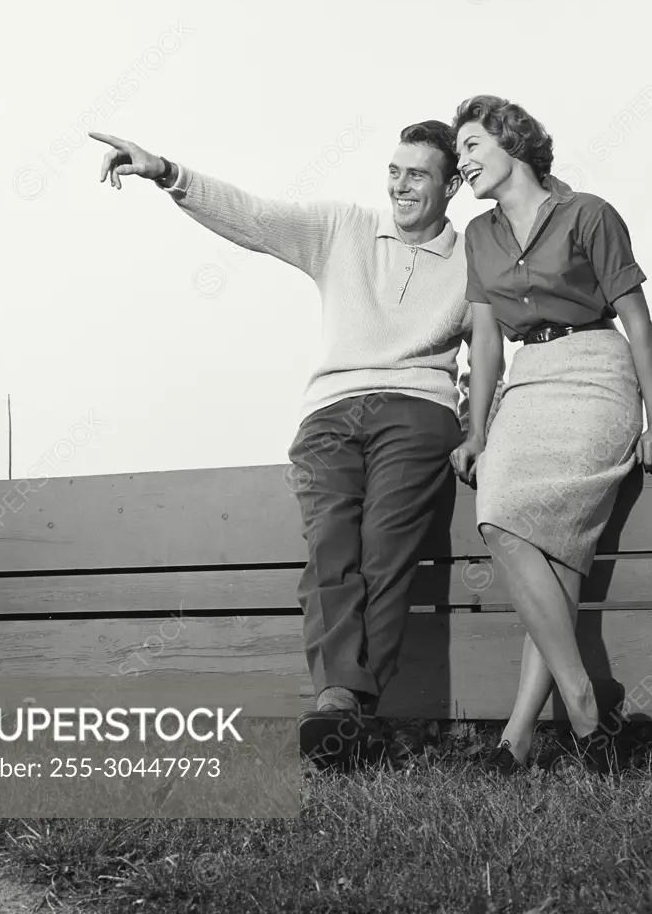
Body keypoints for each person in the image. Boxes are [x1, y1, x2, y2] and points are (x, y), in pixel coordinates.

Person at [89, 122, 500, 767]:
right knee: (331, 549)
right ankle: (344, 706)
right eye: (393, 170)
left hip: (418, 409)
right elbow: (255, 218)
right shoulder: (343, 229)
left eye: (416, 174)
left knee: (386, 553)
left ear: (450, 185)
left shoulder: (474, 259)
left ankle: (346, 709)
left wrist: (481, 431)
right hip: (330, 413)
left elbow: (491, 350)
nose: (399, 185)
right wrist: (167, 172)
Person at [449, 95, 652, 775]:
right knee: (505, 521)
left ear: (510, 141)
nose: (460, 161)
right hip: (529, 378)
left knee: (530, 532)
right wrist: (476, 431)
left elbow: (636, 321)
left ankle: (527, 731)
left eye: (469, 145)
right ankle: (577, 706)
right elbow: (485, 343)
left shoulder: (588, 214)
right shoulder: (477, 237)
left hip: (594, 371)